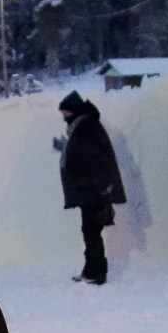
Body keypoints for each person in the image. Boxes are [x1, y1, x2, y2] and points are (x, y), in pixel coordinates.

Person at [57, 92, 127, 284]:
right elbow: (79, 151)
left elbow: (96, 158)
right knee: (90, 231)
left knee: (91, 232)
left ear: (74, 110)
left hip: (93, 191)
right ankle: (92, 270)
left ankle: (96, 273)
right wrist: (64, 146)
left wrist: (97, 186)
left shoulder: (86, 127)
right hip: (90, 191)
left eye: (65, 113)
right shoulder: (83, 126)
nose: (64, 117)